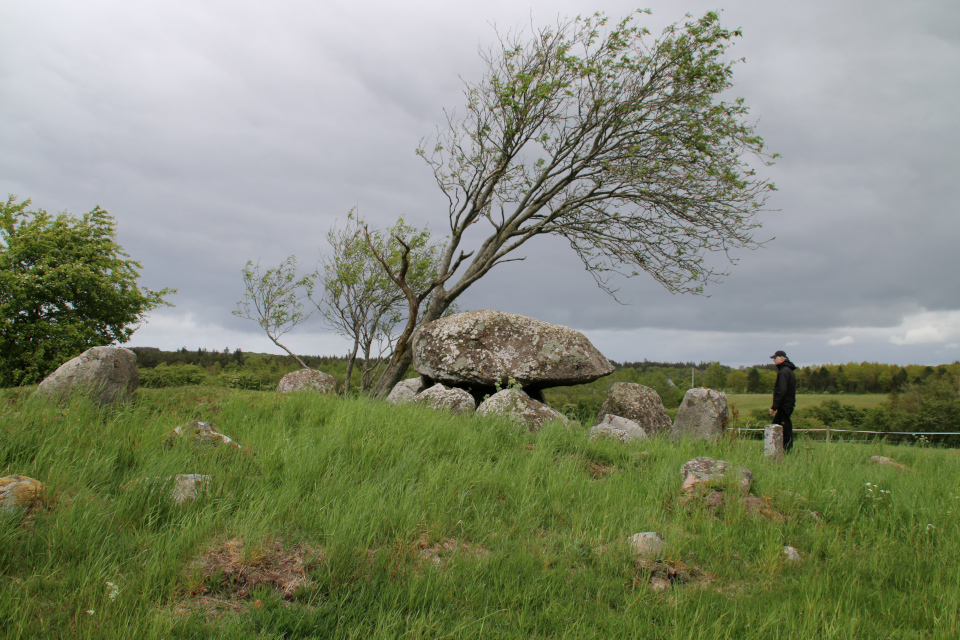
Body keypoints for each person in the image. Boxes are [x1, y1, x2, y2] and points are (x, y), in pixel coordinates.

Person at [768, 350, 797, 451]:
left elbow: (782, 390)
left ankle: (783, 450)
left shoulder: (784, 371)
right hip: (787, 404)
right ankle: (780, 449)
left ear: (782, 358)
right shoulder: (788, 370)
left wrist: (774, 406)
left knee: (782, 427)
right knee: (779, 426)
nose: (774, 360)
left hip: (784, 405)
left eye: (775, 358)